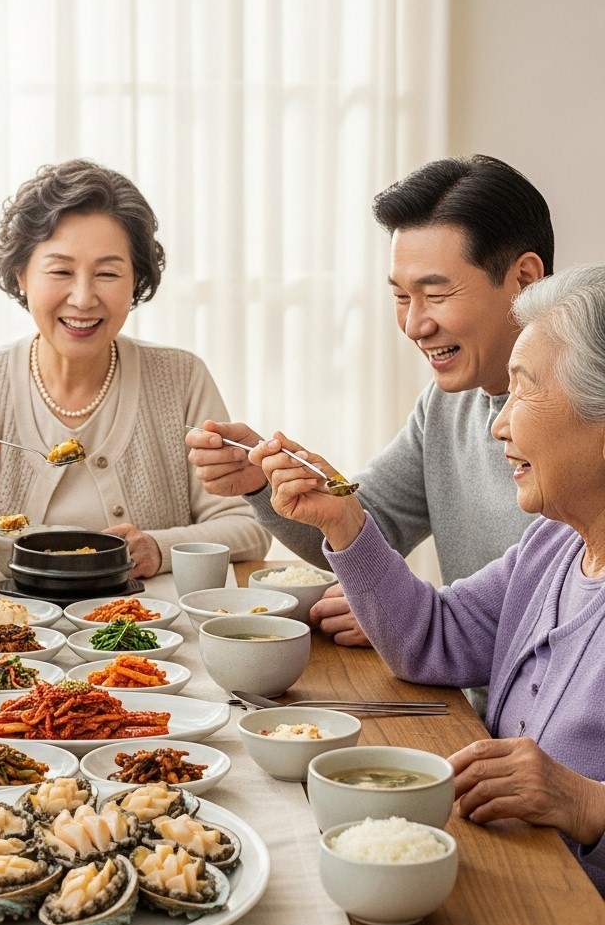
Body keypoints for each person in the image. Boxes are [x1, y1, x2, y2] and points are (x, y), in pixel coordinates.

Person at [259, 265, 605, 895]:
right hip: (509, 877)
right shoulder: (555, 544)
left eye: (523, 392)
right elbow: (433, 636)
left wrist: (588, 804)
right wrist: (344, 522)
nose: (498, 424)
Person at [186, 155, 552, 659]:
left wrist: (411, 613)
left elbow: (574, 613)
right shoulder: (447, 404)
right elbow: (363, 532)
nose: (414, 324)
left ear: (526, 280)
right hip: (463, 703)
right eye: (402, 296)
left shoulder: (583, 417)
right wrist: (264, 482)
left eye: (436, 293)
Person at [0, 159, 270, 575]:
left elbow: (247, 528)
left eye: (107, 273)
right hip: (13, 630)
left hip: (149, 630)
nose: (83, 298)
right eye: (61, 271)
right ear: (21, 276)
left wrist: (158, 547)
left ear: (136, 279)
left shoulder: (182, 378)